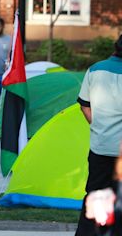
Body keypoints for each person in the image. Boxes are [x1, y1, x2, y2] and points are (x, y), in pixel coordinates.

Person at [75, 35, 122, 236]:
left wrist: (98, 124)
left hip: (100, 145)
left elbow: (84, 105)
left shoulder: (94, 69)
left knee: (95, 195)